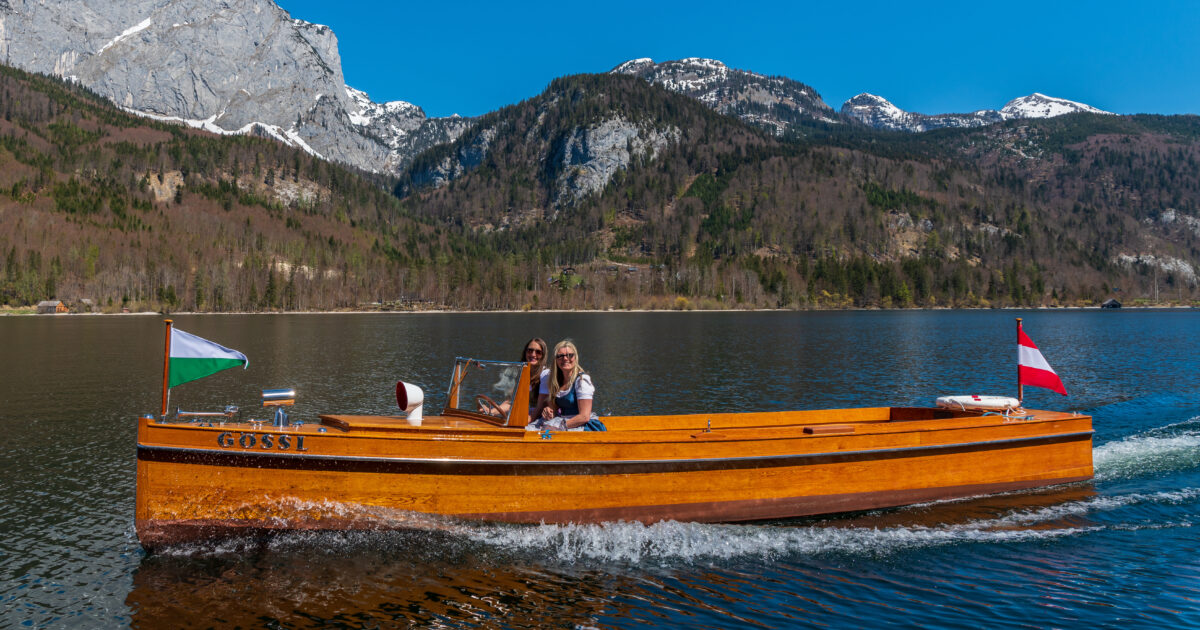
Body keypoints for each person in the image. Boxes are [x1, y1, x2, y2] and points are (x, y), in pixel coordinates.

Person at [536, 339, 606, 431]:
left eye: (570, 355)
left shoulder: (582, 381)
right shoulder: (556, 381)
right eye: (560, 356)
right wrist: (549, 411)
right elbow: (555, 410)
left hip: (582, 425)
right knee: (536, 428)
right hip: (564, 421)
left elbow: (584, 417)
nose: (565, 358)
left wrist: (559, 427)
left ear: (575, 358)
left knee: (546, 432)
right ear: (556, 360)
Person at [480, 338, 549, 422]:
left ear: (543, 355)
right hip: (526, 414)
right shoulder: (521, 372)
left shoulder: (545, 374)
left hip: (541, 417)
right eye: (530, 350)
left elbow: (540, 407)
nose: (533, 354)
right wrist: (491, 412)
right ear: (525, 352)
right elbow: (511, 402)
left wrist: (527, 421)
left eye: (538, 352)